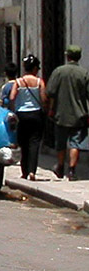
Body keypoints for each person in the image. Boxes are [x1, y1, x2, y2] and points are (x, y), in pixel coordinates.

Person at [46, 44, 89, 181]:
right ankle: (71, 170)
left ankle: (60, 166)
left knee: (61, 142)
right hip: (79, 115)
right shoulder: (84, 73)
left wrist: (51, 109)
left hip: (61, 114)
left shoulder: (59, 72)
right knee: (75, 143)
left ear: (67, 56)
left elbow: (50, 92)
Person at [9, 55, 46, 181]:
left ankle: (24, 171)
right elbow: (43, 98)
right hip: (36, 114)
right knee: (34, 143)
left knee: (23, 143)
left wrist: (14, 109)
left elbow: (12, 97)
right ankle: (32, 171)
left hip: (21, 115)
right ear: (35, 68)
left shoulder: (18, 82)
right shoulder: (39, 81)